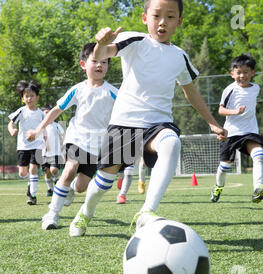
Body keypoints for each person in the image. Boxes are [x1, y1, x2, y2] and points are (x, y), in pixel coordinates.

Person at [68, 0, 227, 237]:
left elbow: (191, 92)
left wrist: (212, 122)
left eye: (170, 17)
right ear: (145, 18)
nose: (162, 22)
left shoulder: (179, 56)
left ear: (179, 22)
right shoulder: (135, 41)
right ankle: (86, 212)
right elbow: (106, 53)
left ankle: (147, 212)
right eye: (156, 15)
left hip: (158, 124)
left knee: (172, 142)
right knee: (103, 181)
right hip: (124, 123)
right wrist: (100, 45)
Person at [26, 42, 118, 230]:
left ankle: (67, 188)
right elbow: (57, 110)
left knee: (80, 187)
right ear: (83, 64)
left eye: (105, 61)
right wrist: (38, 130)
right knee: (69, 169)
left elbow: (128, 111)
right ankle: (52, 215)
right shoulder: (78, 89)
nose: (100, 65)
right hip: (76, 138)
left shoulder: (113, 92)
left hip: (97, 145)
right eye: (95, 61)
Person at [210, 53, 263, 203]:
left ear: (253, 73)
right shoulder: (229, 89)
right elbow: (221, 110)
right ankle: (218, 186)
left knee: (259, 155)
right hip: (231, 133)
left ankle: (257, 188)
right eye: (238, 73)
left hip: (250, 131)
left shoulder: (256, 88)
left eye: (246, 72)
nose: (242, 76)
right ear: (232, 74)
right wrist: (235, 111)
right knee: (225, 166)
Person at [8, 80, 45, 205]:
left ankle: (33, 196)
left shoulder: (41, 114)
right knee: (23, 173)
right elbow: (10, 123)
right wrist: (12, 130)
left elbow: (45, 128)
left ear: (37, 97)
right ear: (22, 99)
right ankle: (30, 183)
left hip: (38, 145)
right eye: (26, 96)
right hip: (23, 146)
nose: (29, 98)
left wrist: (45, 141)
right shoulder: (21, 111)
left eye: (32, 96)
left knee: (33, 168)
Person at [41, 104, 65, 196]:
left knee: (54, 170)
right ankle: (50, 189)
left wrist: (65, 145)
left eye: (49, 112)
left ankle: (57, 179)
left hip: (55, 153)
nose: (47, 115)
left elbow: (63, 135)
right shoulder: (40, 126)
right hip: (43, 153)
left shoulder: (56, 125)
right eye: (46, 113)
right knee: (47, 172)